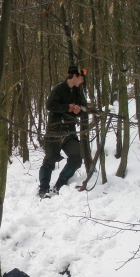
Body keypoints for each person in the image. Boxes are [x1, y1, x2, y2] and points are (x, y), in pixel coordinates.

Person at [39, 64, 89, 198]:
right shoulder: (59, 89)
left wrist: (78, 111)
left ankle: (60, 184)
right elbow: (50, 105)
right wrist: (67, 107)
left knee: (76, 158)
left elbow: (84, 108)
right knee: (49, 160)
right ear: (74, 76)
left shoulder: (79, 91)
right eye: (81, 78)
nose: (82, 80)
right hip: (55, 130)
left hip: (69, 131)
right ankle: (43, 188)